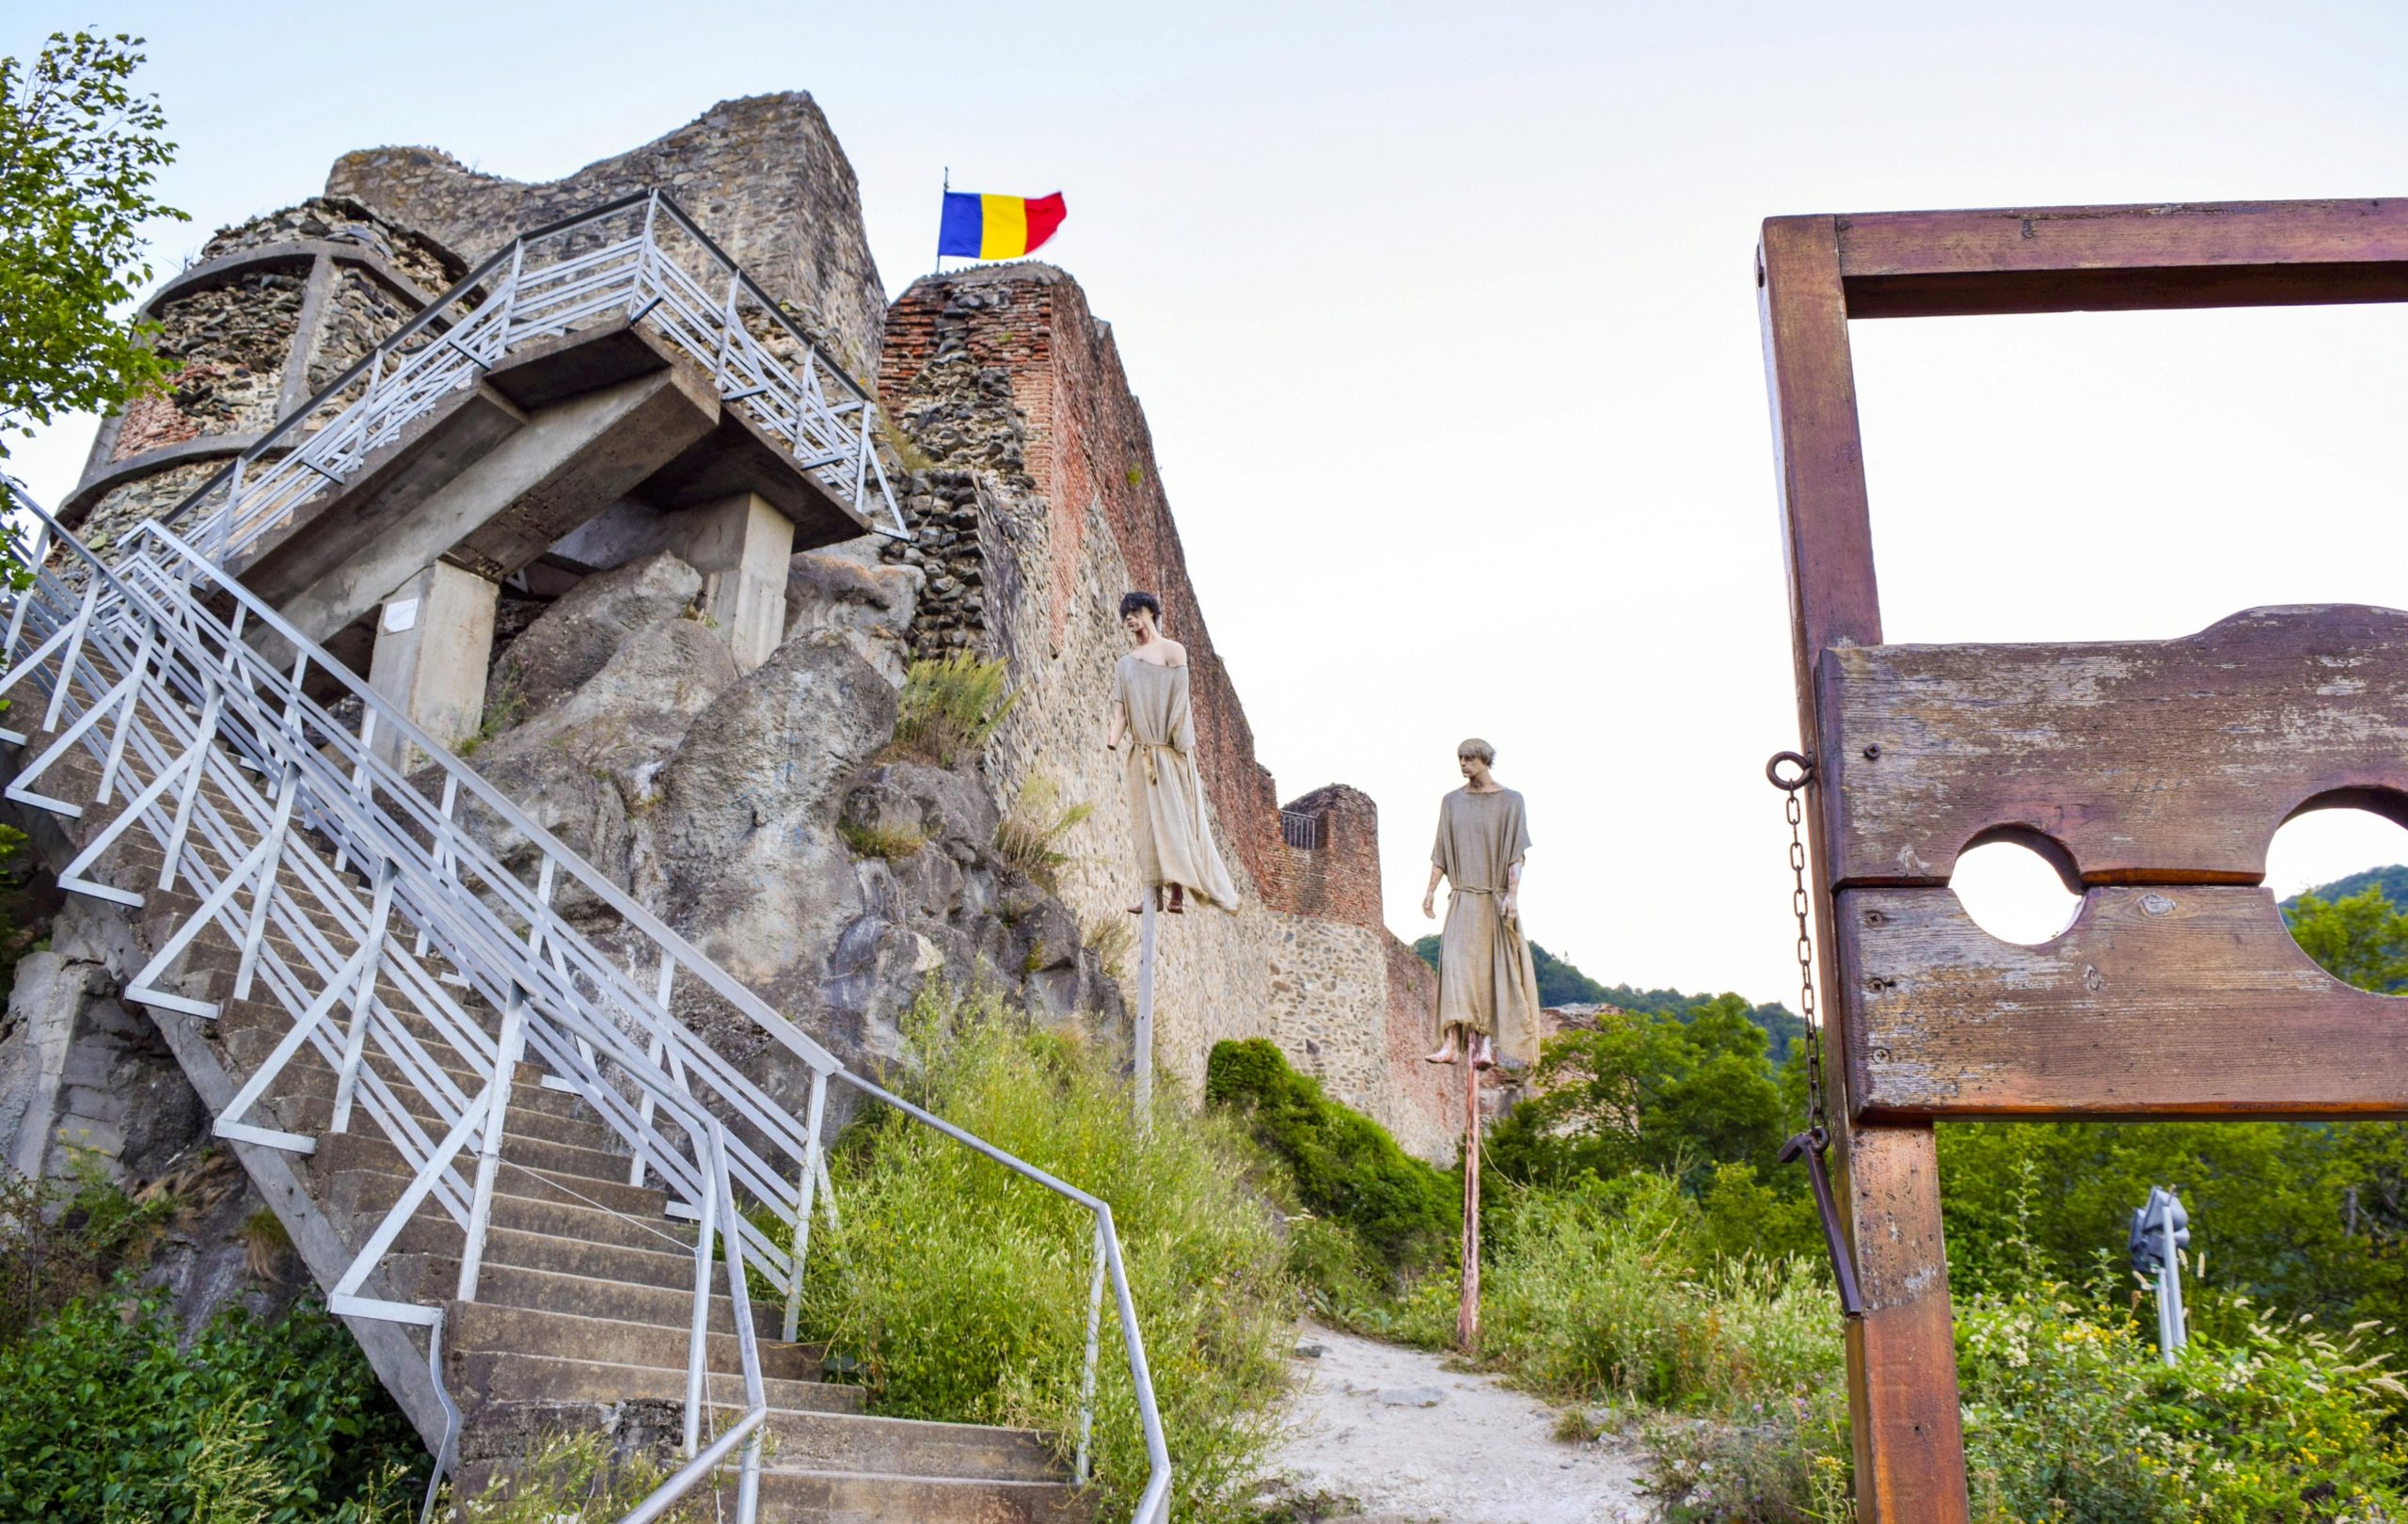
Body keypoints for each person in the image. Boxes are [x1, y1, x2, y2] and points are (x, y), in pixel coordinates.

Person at [1104, 591, 1240, 915]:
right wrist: (1112, 740)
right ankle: (1153, 894)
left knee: (1173, 820)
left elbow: (1180, 703)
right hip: (1142, 754)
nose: (1130, 619)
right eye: (1126, 615)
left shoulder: (1172, 651)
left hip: (1171, 751)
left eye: (1135, 612)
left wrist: (1180, 747)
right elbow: (1121, 712)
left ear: (1150, 611)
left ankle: (1178, 891)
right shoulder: (1125, 665)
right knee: (1146, 824)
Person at [1422, 738, 1541, 1071]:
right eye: (1459, 758)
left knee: (1491, 970)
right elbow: (1441, 852)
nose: (1462, 764)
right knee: (1456, 968)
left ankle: (1485, 1043)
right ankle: (1451, 1042)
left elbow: (1515, 856)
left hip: (1494, 898)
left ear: (1485, 761)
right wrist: (1430, 890)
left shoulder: (1511, 801)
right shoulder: (1451, 802)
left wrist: (1513, 896)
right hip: (1462, 897)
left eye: (1469, 759)